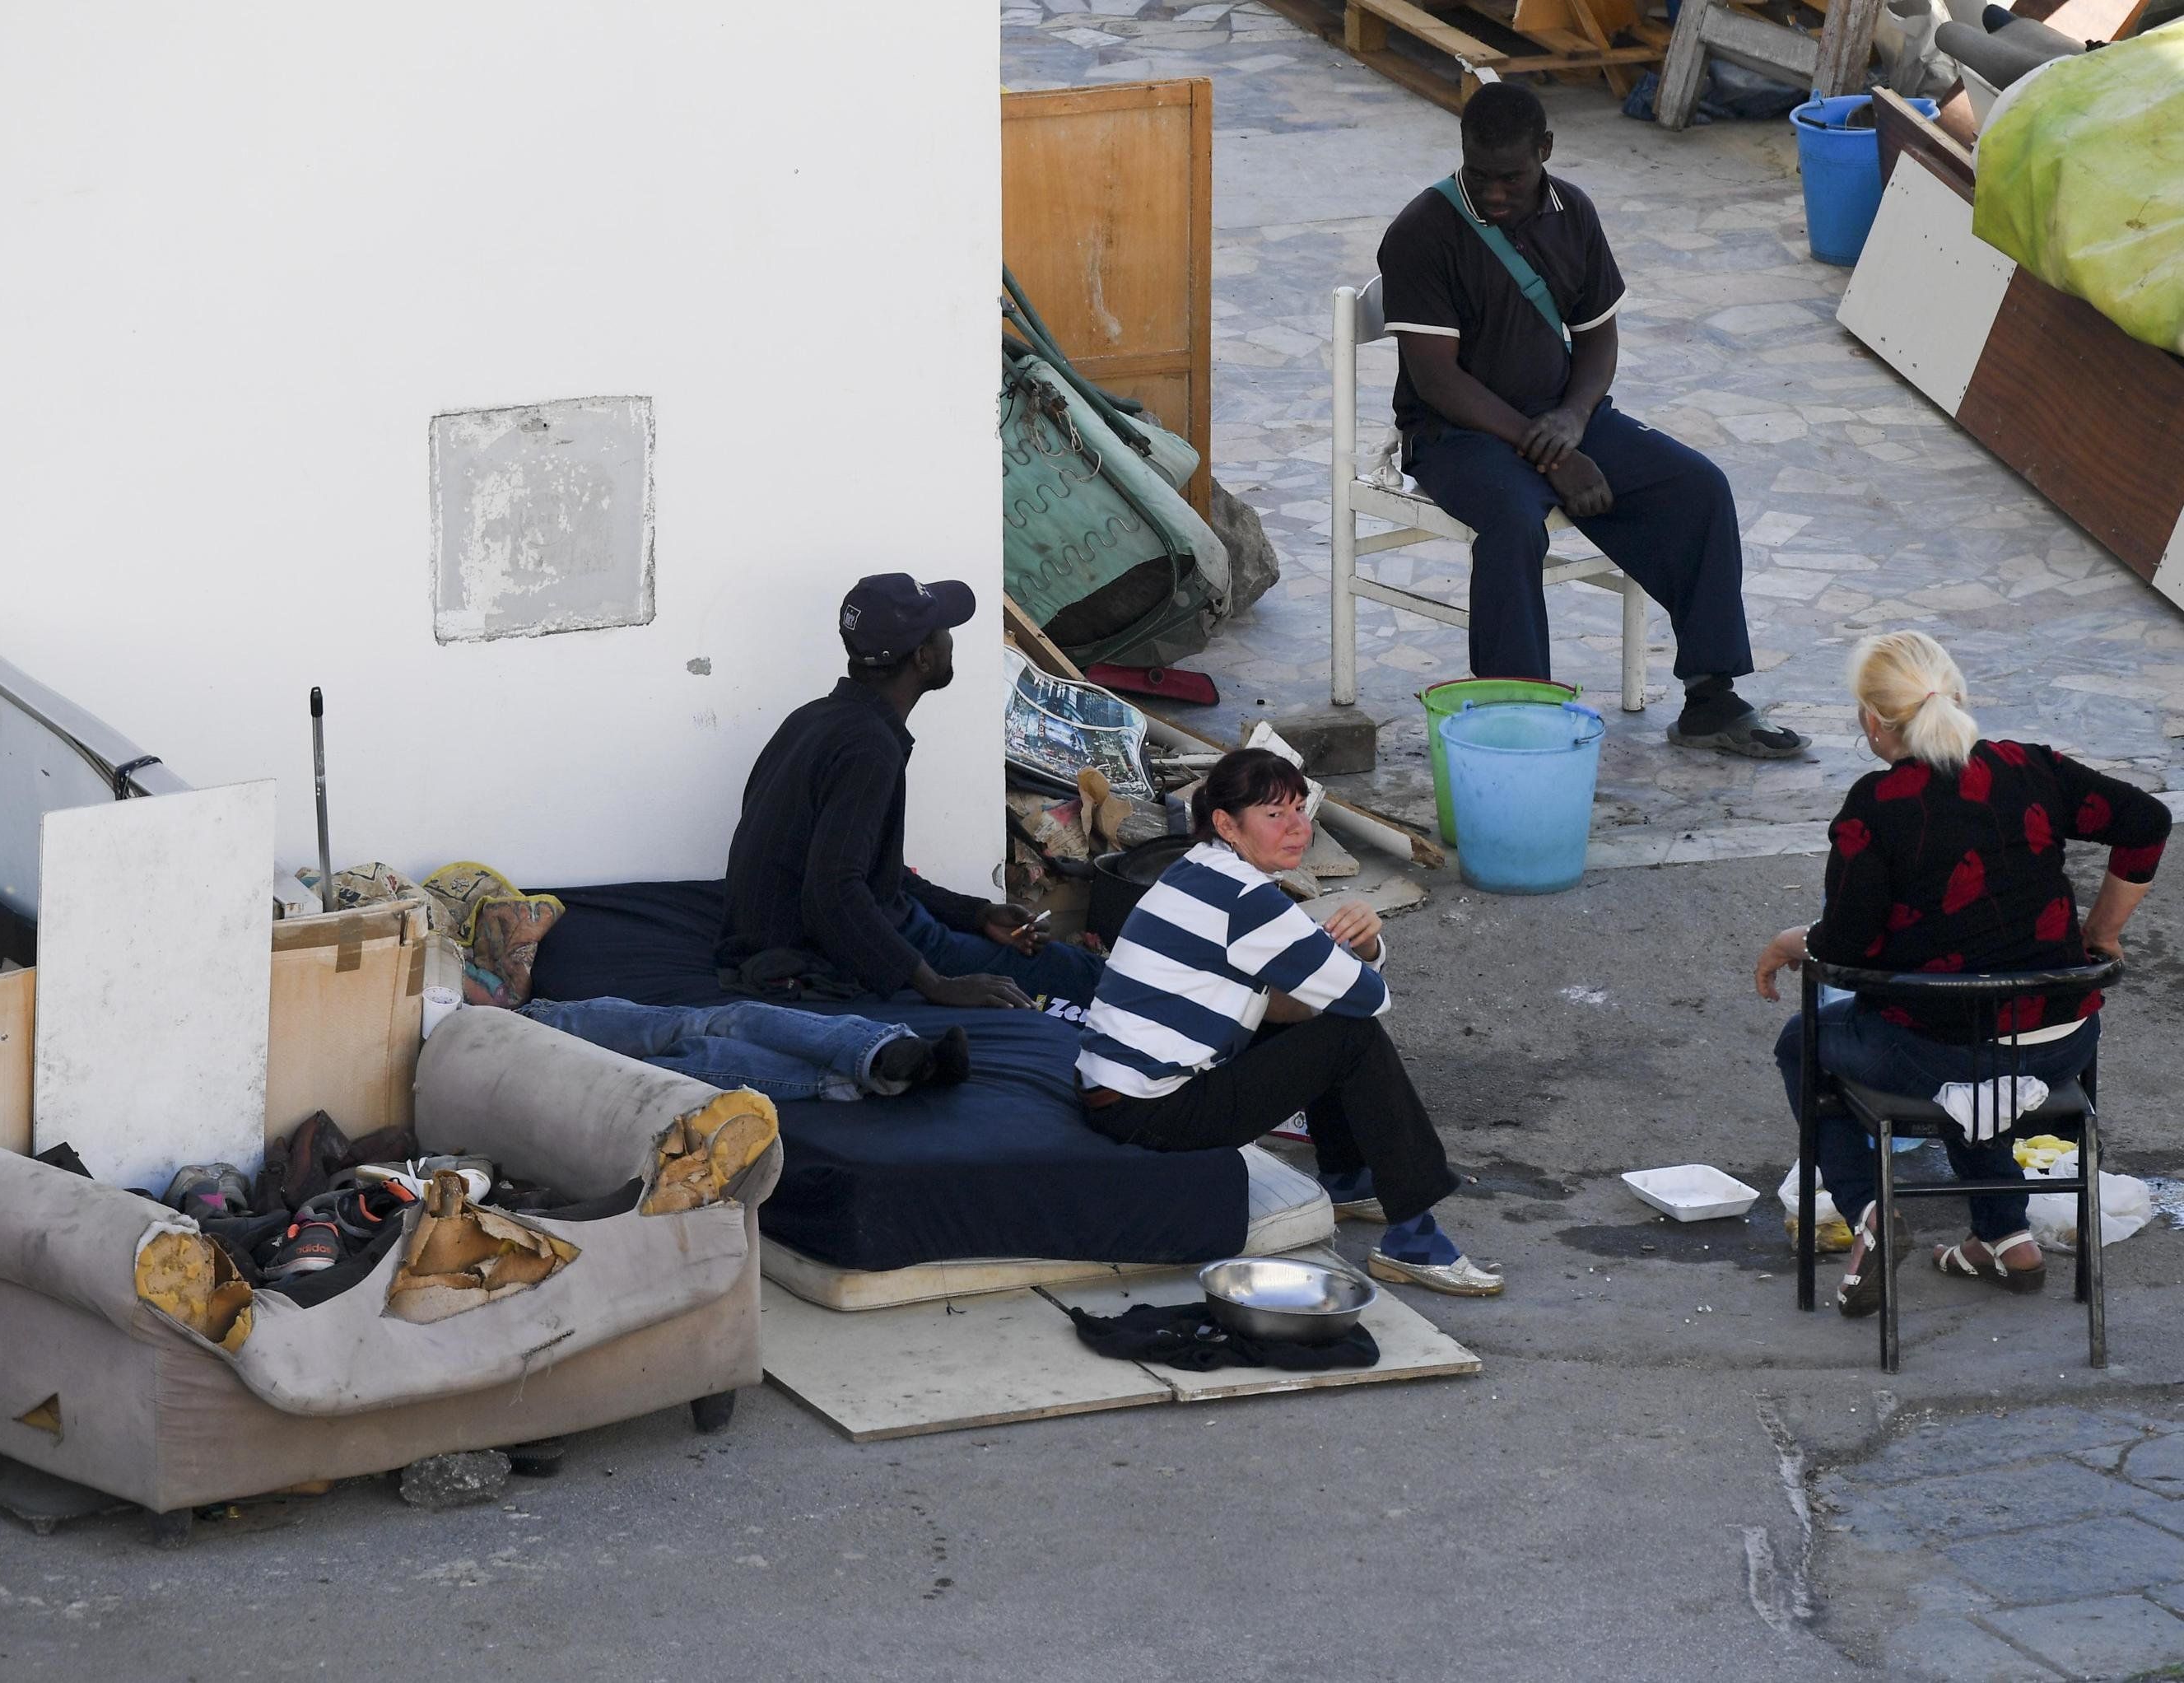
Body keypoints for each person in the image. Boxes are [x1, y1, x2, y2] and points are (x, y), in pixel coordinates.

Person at [1376, 81, 1807, 760]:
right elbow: (1437, 380)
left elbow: (1598, 337)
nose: (1493, 194)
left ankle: (1710, 696)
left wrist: (1574, 420)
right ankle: (1515, 716)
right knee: (1513, 523)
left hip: (1563, 416)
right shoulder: (1421, 233)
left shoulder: (1572, 210)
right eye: (1478, 174)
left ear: (1545, 151)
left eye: (1510, 178)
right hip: (1458, 436)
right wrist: (1550, 451)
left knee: (1698, 487)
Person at [1754, 632, 2168, 1315]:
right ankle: (2006, 1234)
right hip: (2062, 1041)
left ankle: (1871, 1212)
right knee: (1982, 1048)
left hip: (1937, 1052)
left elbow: (1848, 949)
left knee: (1805, 1042)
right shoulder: (2031, 767)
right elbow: (2147, 819)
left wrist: (1790, 941)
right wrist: (2105, 932)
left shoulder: (1876, 806)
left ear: (1871, 720)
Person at [1075, 748, 1502, 1297]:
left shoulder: (1195, 869)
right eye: (1275, 816)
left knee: (1324, 1024)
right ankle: (1413, 1237)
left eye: (1301, 809)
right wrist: (1367, 942)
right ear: (1227, 824)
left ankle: (1349, 1179)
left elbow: (1285, 1004)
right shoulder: (1248, 901)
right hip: (1156, 1113)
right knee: (1351, 1036)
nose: (1299, 829)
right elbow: (1370, 998)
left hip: (1114, 1098)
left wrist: (1333, 962)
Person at [720, 572, 1106, 1009]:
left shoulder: (812, 718)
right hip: (825, 952)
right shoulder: (869, 749)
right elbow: (832, 892)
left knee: (1045, 960)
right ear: (923, 657)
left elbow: (864, 871)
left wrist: (977, 915)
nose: (951, 640)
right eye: (943, 631)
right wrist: (937, 985)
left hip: (840, 929)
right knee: (1086, 977)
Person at [517, 995, 968, 1102]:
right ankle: (878, 1060)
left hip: (503, 1029)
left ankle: (883, 1055)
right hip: (508, 1045)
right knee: (704, 1051)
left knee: (725, 1023)